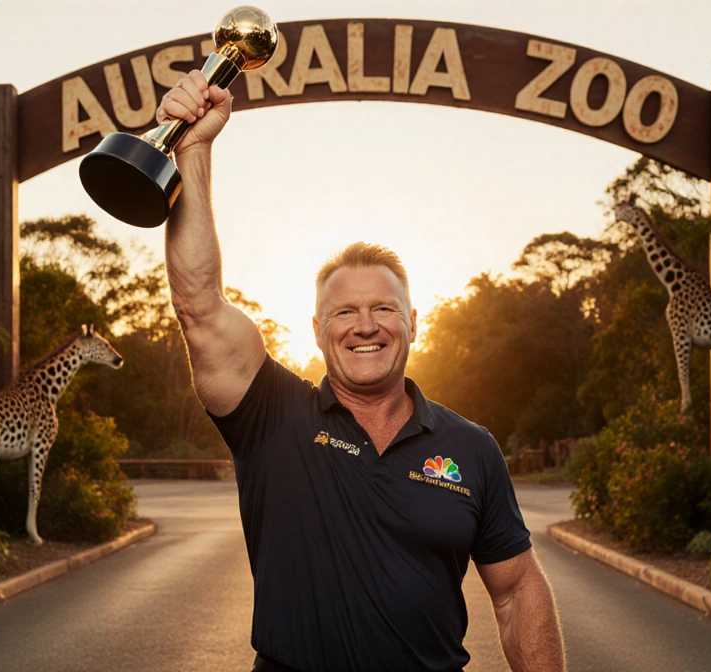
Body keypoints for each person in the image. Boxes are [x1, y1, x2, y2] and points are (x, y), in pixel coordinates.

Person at [155, 69, 567, 672]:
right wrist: (192, 149)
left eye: (384, 309)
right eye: (344, 311)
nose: (365, 326)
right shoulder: (272, 416)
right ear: (319, 332)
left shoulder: (470, 448)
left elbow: (516, 589)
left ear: (414, 323)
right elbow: (199, 303)